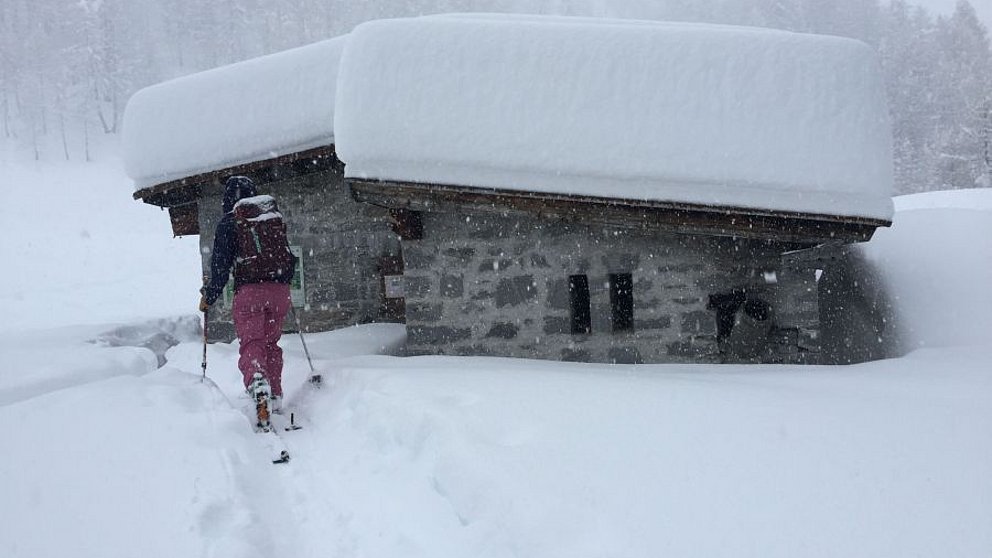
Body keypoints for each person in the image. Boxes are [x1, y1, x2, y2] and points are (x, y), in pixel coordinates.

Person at [199, 175, 296, 412]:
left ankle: (258, 381)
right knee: (271, 343)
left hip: (250, 292)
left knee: (253, 342)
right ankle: (275, 395)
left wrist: (208, 297)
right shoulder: (270, 218)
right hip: (279, 292)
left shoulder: (229, 222)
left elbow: (220, 269)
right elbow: (288, 257)